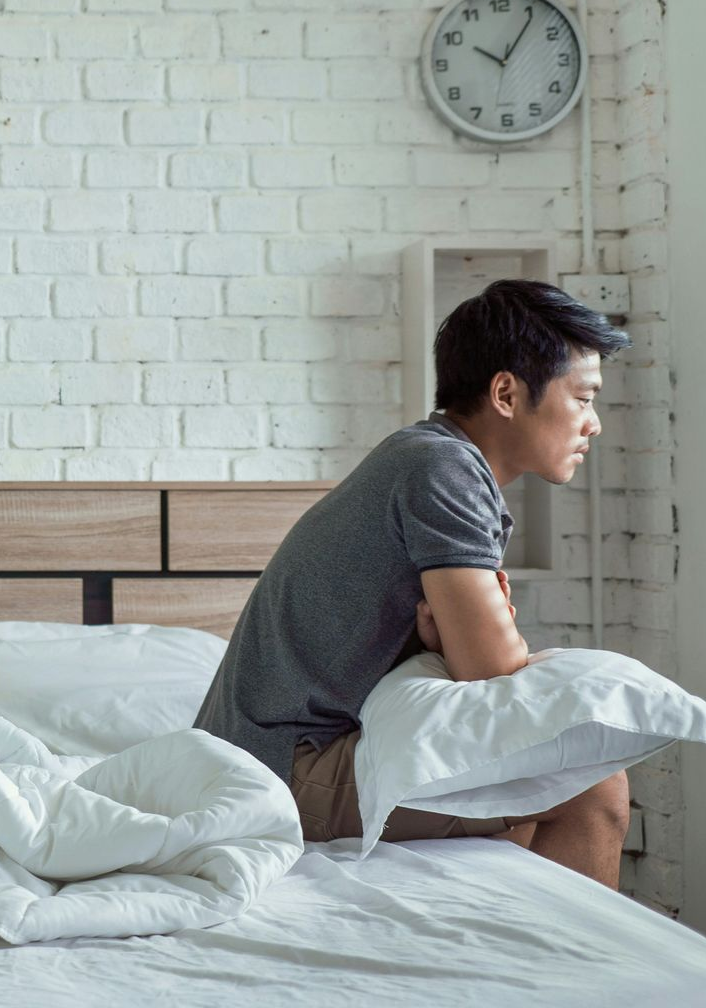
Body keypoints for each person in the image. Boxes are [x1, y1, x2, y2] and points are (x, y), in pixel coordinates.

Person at [194, 279, 635, 888]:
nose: (594, 425)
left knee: (525, 805)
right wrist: (464, 643)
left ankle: (527, 961)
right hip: (275, 771)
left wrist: (443, 644)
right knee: (590, 783)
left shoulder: (427, 458)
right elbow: (492, 672)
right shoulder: (443, 468)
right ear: (506, 392)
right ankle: (593, 981)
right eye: (583, 398)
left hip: (259, 755)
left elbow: (470, 663)